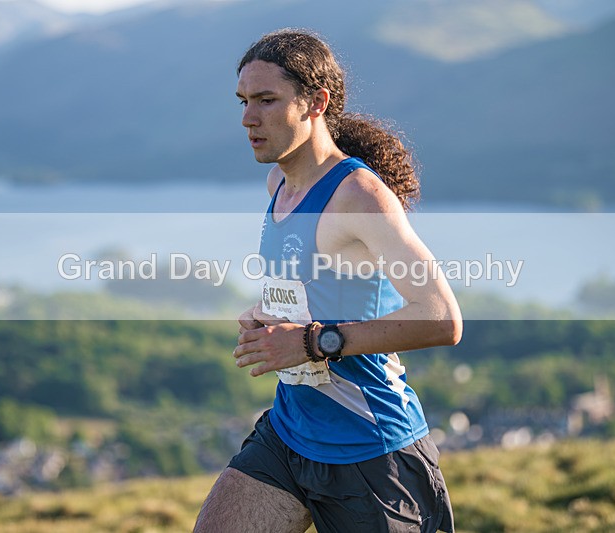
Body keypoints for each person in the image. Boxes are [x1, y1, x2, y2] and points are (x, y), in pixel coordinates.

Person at [194, 29, 462, 533]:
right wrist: (268, 318)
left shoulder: (359, 195)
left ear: (315, 103)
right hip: (290, 431)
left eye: (267, 100)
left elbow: (442, 317)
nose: (249, 118)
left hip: (370, 448)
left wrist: (313, 341)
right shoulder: (279, 182)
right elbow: (316, 285)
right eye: (244, 101)